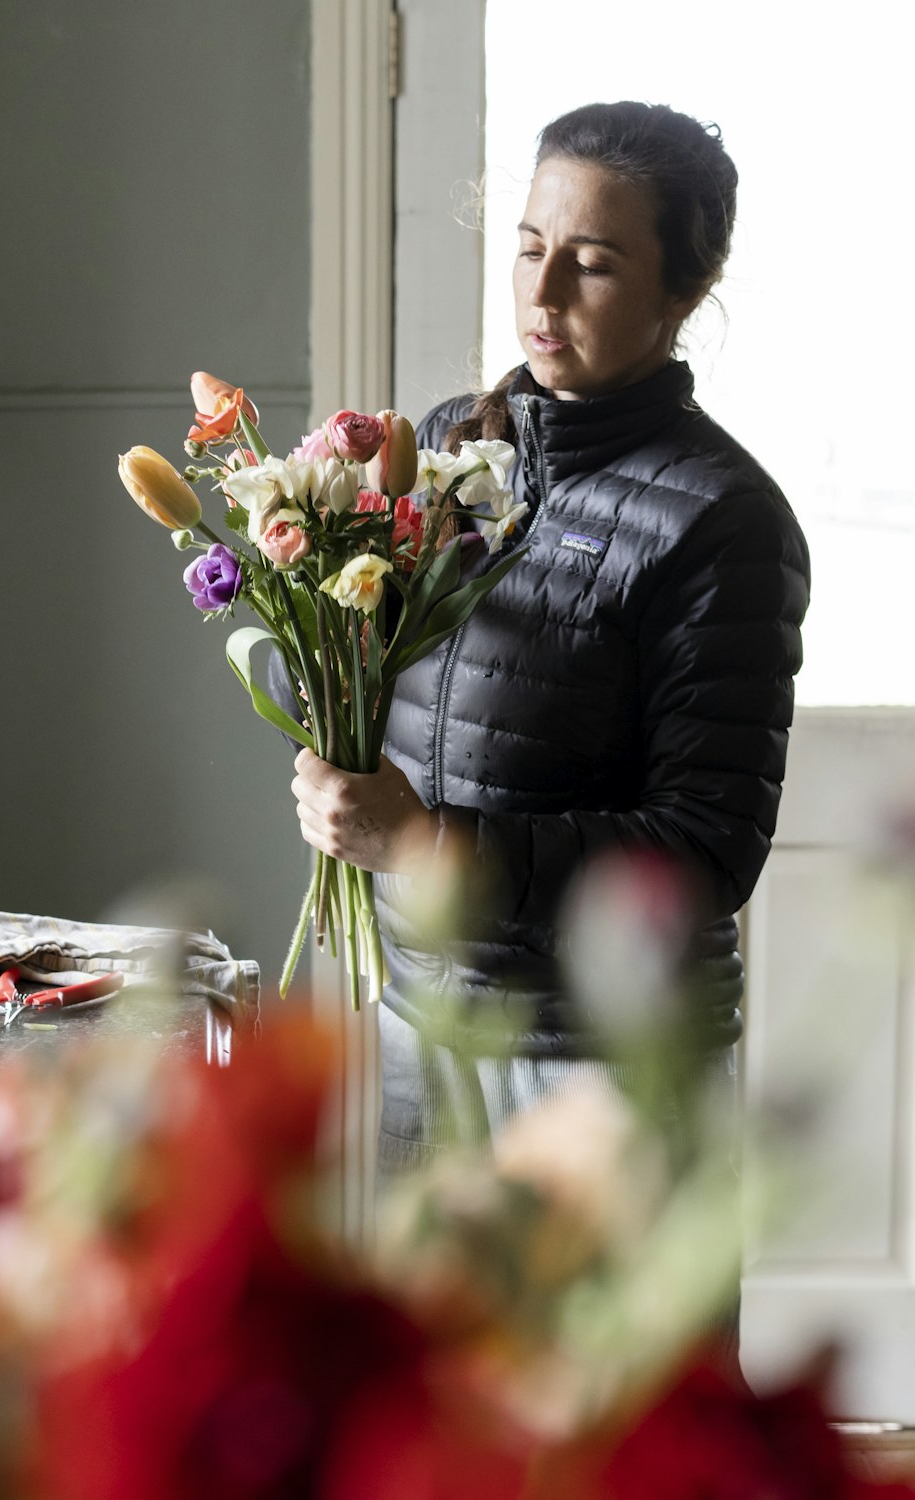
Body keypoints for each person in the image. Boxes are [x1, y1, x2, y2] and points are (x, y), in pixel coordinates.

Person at [288, 101, 810, 1181]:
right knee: (418, 1356)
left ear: (683, 290)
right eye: (529, 247)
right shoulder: (440, 447)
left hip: (604, 1066)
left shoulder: (723, 520)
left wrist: (430, 847)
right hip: (418, 1024)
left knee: (613, 1359)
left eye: (595, 263)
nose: (541, 291)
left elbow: (707, 849)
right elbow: (390, 692)